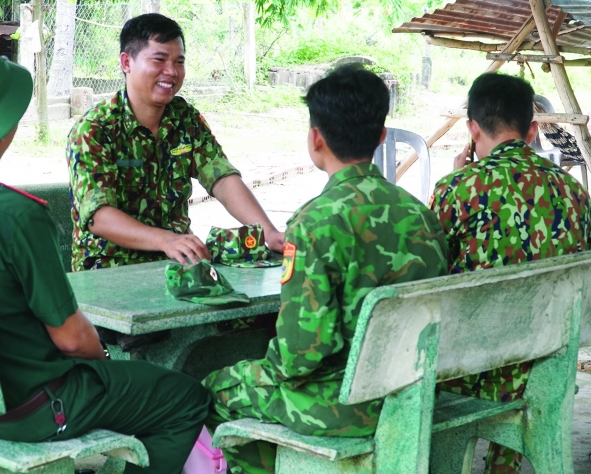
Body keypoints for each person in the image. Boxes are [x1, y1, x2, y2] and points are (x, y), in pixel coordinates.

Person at [0, 46, 210, 474]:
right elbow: (71, 340)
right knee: (185, 397)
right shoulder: (15, 215)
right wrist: (101, 360)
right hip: (26, 410)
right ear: (1, 128)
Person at [203, 65, 450, 474]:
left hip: (343, 407)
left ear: (315, 138)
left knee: (217, 388)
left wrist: (266, 367)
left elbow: (300, 355)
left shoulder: (314, 222)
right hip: (413, 392)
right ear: (382, 137)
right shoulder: (420, 214)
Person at [429, 72, 591, 474]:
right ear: (532, 129)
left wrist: (456, 177)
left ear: (472, 128)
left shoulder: (457, 189)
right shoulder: (576, 194)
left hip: (468, 370)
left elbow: (429, 277)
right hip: (546, 366)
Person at [67, 13, 283, 272]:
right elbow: (99, 216)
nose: (171, 71)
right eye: (159, 59)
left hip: (176, 262)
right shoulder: (95, 129)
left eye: (178, 62)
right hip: (109, 269)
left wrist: (268, 232)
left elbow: (221, 178)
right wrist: (166, 240)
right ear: (127, 62)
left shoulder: (184, 118)